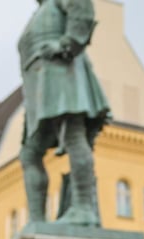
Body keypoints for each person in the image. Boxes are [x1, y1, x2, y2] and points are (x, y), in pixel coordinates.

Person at [18, 0, 110, 226]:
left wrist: (65, 45)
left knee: (73, 135)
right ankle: (37, 220)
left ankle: (83, 207)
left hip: (61, 74)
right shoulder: (41, 11)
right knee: (30, 153)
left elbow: (82, 12)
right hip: (39, 88)